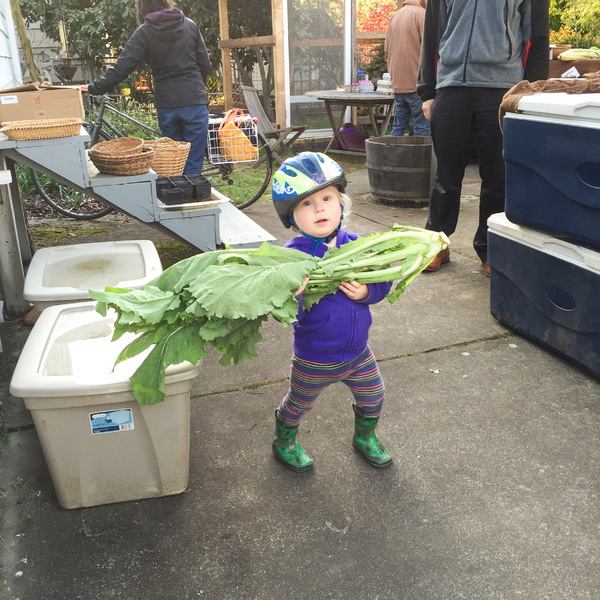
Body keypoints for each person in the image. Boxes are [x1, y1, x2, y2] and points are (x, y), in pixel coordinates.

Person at [270, 151, 393, 472]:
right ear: (291, 218)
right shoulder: (290, 259)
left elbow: (383, 278)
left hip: (358, 353)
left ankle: (365, 436)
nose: (320, 208)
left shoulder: (358, 245)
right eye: (307, 203)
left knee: (374, 396)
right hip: (314, 359)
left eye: (327, 198)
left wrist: (368, 292)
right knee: (298, 405)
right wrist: (294, 294)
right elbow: (284, 312)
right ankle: (284, 440)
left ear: (341, 203)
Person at [417, 0, 549, 274]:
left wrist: (532, 92)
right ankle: (436, 243)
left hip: (502, 88)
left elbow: (536, 36)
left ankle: (492, 248)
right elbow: (431, 33)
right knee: (446, 175)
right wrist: (427, 91)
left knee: (497, 178)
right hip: (450, 86)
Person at [81, 0, 211, 175]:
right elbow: (205, 63)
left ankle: (177, 190)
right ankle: (193, 188)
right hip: (194, 101)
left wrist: (94, 87)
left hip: (167, 104)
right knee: (193, 159)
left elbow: (122, 66)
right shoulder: (189, 25)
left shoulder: (145, 32)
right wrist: (197, 88)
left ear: (142, 8)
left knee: (173, 159)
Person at [385, 0, 430, 137]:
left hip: (398, 84)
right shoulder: (422, 15)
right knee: (422, 126)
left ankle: (392, 150)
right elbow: (430, 50)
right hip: (417, 83)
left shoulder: (395, 17)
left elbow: (386, 50)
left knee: (399, 125)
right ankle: (419, 152)